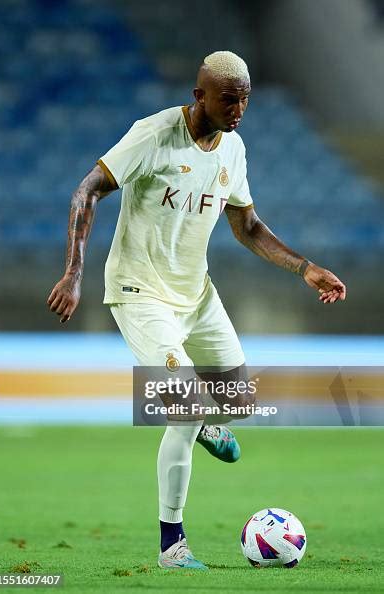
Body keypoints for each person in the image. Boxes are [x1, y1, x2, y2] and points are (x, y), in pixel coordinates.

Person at [47, 51, 346, 570]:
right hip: (140, 292)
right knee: (184, 408)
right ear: (199, 95)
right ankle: (172, 546)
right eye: (229, 99)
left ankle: (210, 422)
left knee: (238, 401)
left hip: (196, 295)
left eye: (245, 100)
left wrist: (305, 268)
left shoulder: (233, 150)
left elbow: (248, 226)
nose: (238, 110)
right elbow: (87, 191)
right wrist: (73, 273)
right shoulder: (154, 134)